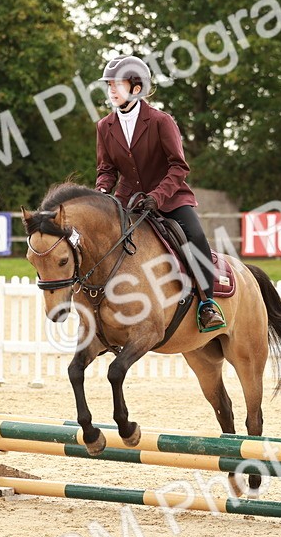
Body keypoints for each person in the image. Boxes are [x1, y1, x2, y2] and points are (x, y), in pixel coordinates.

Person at [94, 55, 226, 332]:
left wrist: (157, 196)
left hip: (170, 197)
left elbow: (179, 166)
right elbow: (106, 170)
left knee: (195, 236)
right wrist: (102, 192)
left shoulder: (160, 121)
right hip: (128, 200)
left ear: (137, 88)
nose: (112, 90)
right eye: (109, 85)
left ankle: (208, 304)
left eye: (118, 84)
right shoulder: (104, 126)